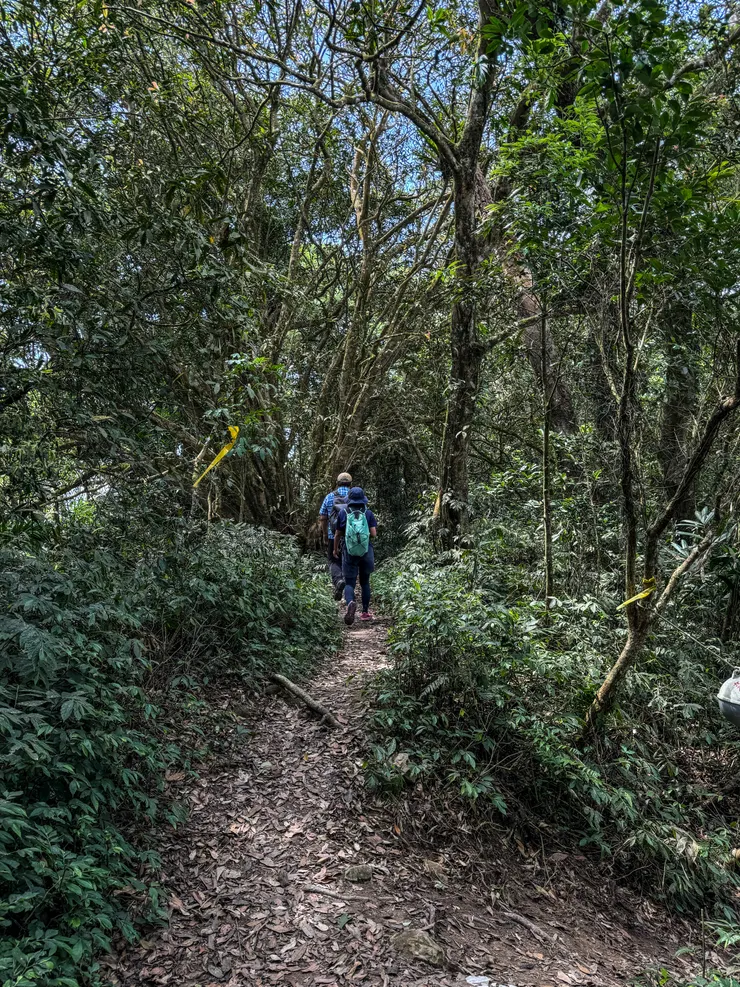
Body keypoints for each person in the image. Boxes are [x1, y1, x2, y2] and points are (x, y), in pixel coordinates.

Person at [333, 486, 377, 625]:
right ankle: (365, 612)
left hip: (349, 551)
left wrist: (335, 550)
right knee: (365, 582)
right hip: (366, 551)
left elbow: (338, 534)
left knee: (350, 582)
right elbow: (374, 534)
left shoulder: (343, 512)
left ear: (349, 500)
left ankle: (351, 602)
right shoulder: (368, 513)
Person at [319, 472, 352, 600]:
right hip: (351, 537)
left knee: (334, 560)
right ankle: (349, 592)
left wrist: (325, 535)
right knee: (349, 562)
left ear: (337, 483)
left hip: (333, 535)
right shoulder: (355, 497)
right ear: (350, 484)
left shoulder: (329, 497)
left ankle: (338, 581)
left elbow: (323, 517)